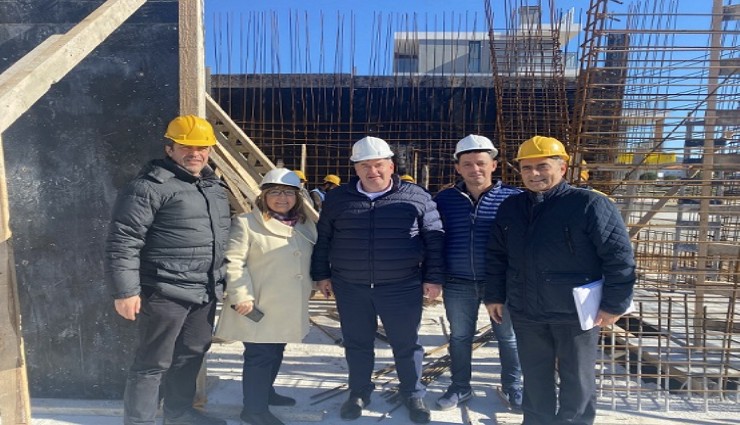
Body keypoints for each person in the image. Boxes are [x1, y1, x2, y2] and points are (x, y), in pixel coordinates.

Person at [484, 136, 635, 425]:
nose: (534, 174)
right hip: (527, 310)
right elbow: (496, 256)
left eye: (542, 166)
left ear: (562, 168)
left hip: (574, 313)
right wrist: (494, 295)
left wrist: (614, 304)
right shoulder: (511, 208)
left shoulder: (588, 204)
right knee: (535, 377)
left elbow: (619, 257)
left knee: (576, 380)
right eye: (526, 168)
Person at [310, 136, 445, 424]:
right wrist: (321, 274)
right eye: (365, 166)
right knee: (357, 343)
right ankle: (359, 392)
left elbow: (434, 240)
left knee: (406, 344)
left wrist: (433, 278)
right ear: (356, 169)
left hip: (401, 286)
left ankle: (413, 393)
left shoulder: (416, 196)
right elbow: (324, 239)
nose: (373, 171)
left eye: (379, 165)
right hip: (351, 286)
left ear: (391, 166)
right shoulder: (338, 199)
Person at [105, 115, 230, 425]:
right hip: (164, 291)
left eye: (202, 147)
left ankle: (178, 413)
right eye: (186, 146)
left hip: (204, 291)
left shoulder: (214, 187)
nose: (195, 153)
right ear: (169, 148)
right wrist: (125, 291)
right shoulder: (148, 187)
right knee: (152, 362)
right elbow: (124, 240)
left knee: (191, 353)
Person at [215, 168, 317, 425]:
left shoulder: (304, 224)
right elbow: (234, 261)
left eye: (288, 192)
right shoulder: (247, 223)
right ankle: (253, 410)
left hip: (288, 304)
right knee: (260, 356)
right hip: (257, 303)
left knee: (276, 349)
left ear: (297, 197)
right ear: (263, 196)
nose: (282, 198)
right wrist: (241, 296)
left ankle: (265, 393)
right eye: (275, 192)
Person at [433, 134, 523, 411]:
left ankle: (513, 387)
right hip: (457, 282)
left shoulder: (514, 199)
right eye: (468, 164)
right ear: (458, 168)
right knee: (460, 337)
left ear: (493, 165)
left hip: (501, 283)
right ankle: (460, 386)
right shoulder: (444, 200)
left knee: (508, 337)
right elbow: (434, 240)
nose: (475, 169)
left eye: (481, 163)